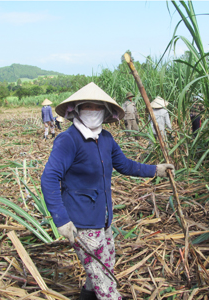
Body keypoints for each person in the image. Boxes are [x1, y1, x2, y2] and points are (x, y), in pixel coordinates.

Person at [41, 82, 174, 300]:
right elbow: (49, 178)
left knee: (104, 267)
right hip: (82, 221)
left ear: (105, 112)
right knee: (104, 279)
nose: (92, 111)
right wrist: (61, 219)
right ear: (76, 110)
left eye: (97, 107)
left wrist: (156, 170)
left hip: (103, 218)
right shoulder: (69, 140)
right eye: (88, 107)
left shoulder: (106, 139)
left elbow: (125, 165)